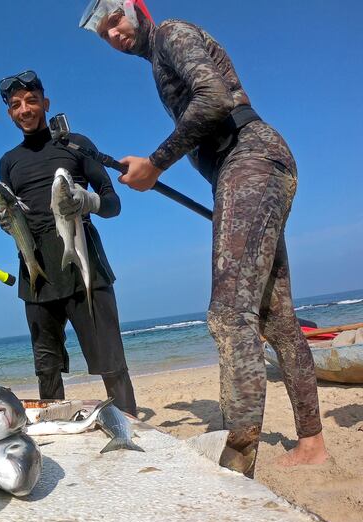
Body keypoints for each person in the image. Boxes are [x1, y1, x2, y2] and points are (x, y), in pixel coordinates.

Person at [79, 0, 329, 474]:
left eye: (115, 18)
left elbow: (213, 98)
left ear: (136, 7)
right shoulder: (158, 60)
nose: (113, 33)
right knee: (274, 317)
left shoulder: (171, 32)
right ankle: (313, 441)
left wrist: (156, 163)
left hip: (249, 160)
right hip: (252, 168)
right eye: (103, 32)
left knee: (229, 314)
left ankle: (238, 459)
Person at [0, 70, 137, 416]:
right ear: (10, 113)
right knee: (47, 367)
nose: (25, 109)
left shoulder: (75, 144)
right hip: (37, 270)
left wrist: (88, 201)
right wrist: (8, 223)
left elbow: (113, 204)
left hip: (87, 264)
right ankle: (56, 429)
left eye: (31, 101)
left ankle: (129, 425)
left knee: (111, 361)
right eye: (16, 105)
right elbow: (16, 211)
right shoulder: (8, 162)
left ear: (45, 103)